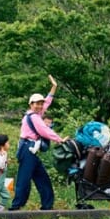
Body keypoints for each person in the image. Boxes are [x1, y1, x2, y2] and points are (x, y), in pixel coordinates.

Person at [10, 75, 67, 211]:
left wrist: (54, 87)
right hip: (27, 149)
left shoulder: (37, 113)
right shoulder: (34, 117)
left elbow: (48, 101)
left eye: (41, 103)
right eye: (37, 103)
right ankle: (16, 206)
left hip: (32, 149)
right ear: (31, 104)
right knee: (24, 179)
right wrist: (60, 139)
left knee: (42, 178)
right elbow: (44, 131)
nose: (40, 106)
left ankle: (47, 205)